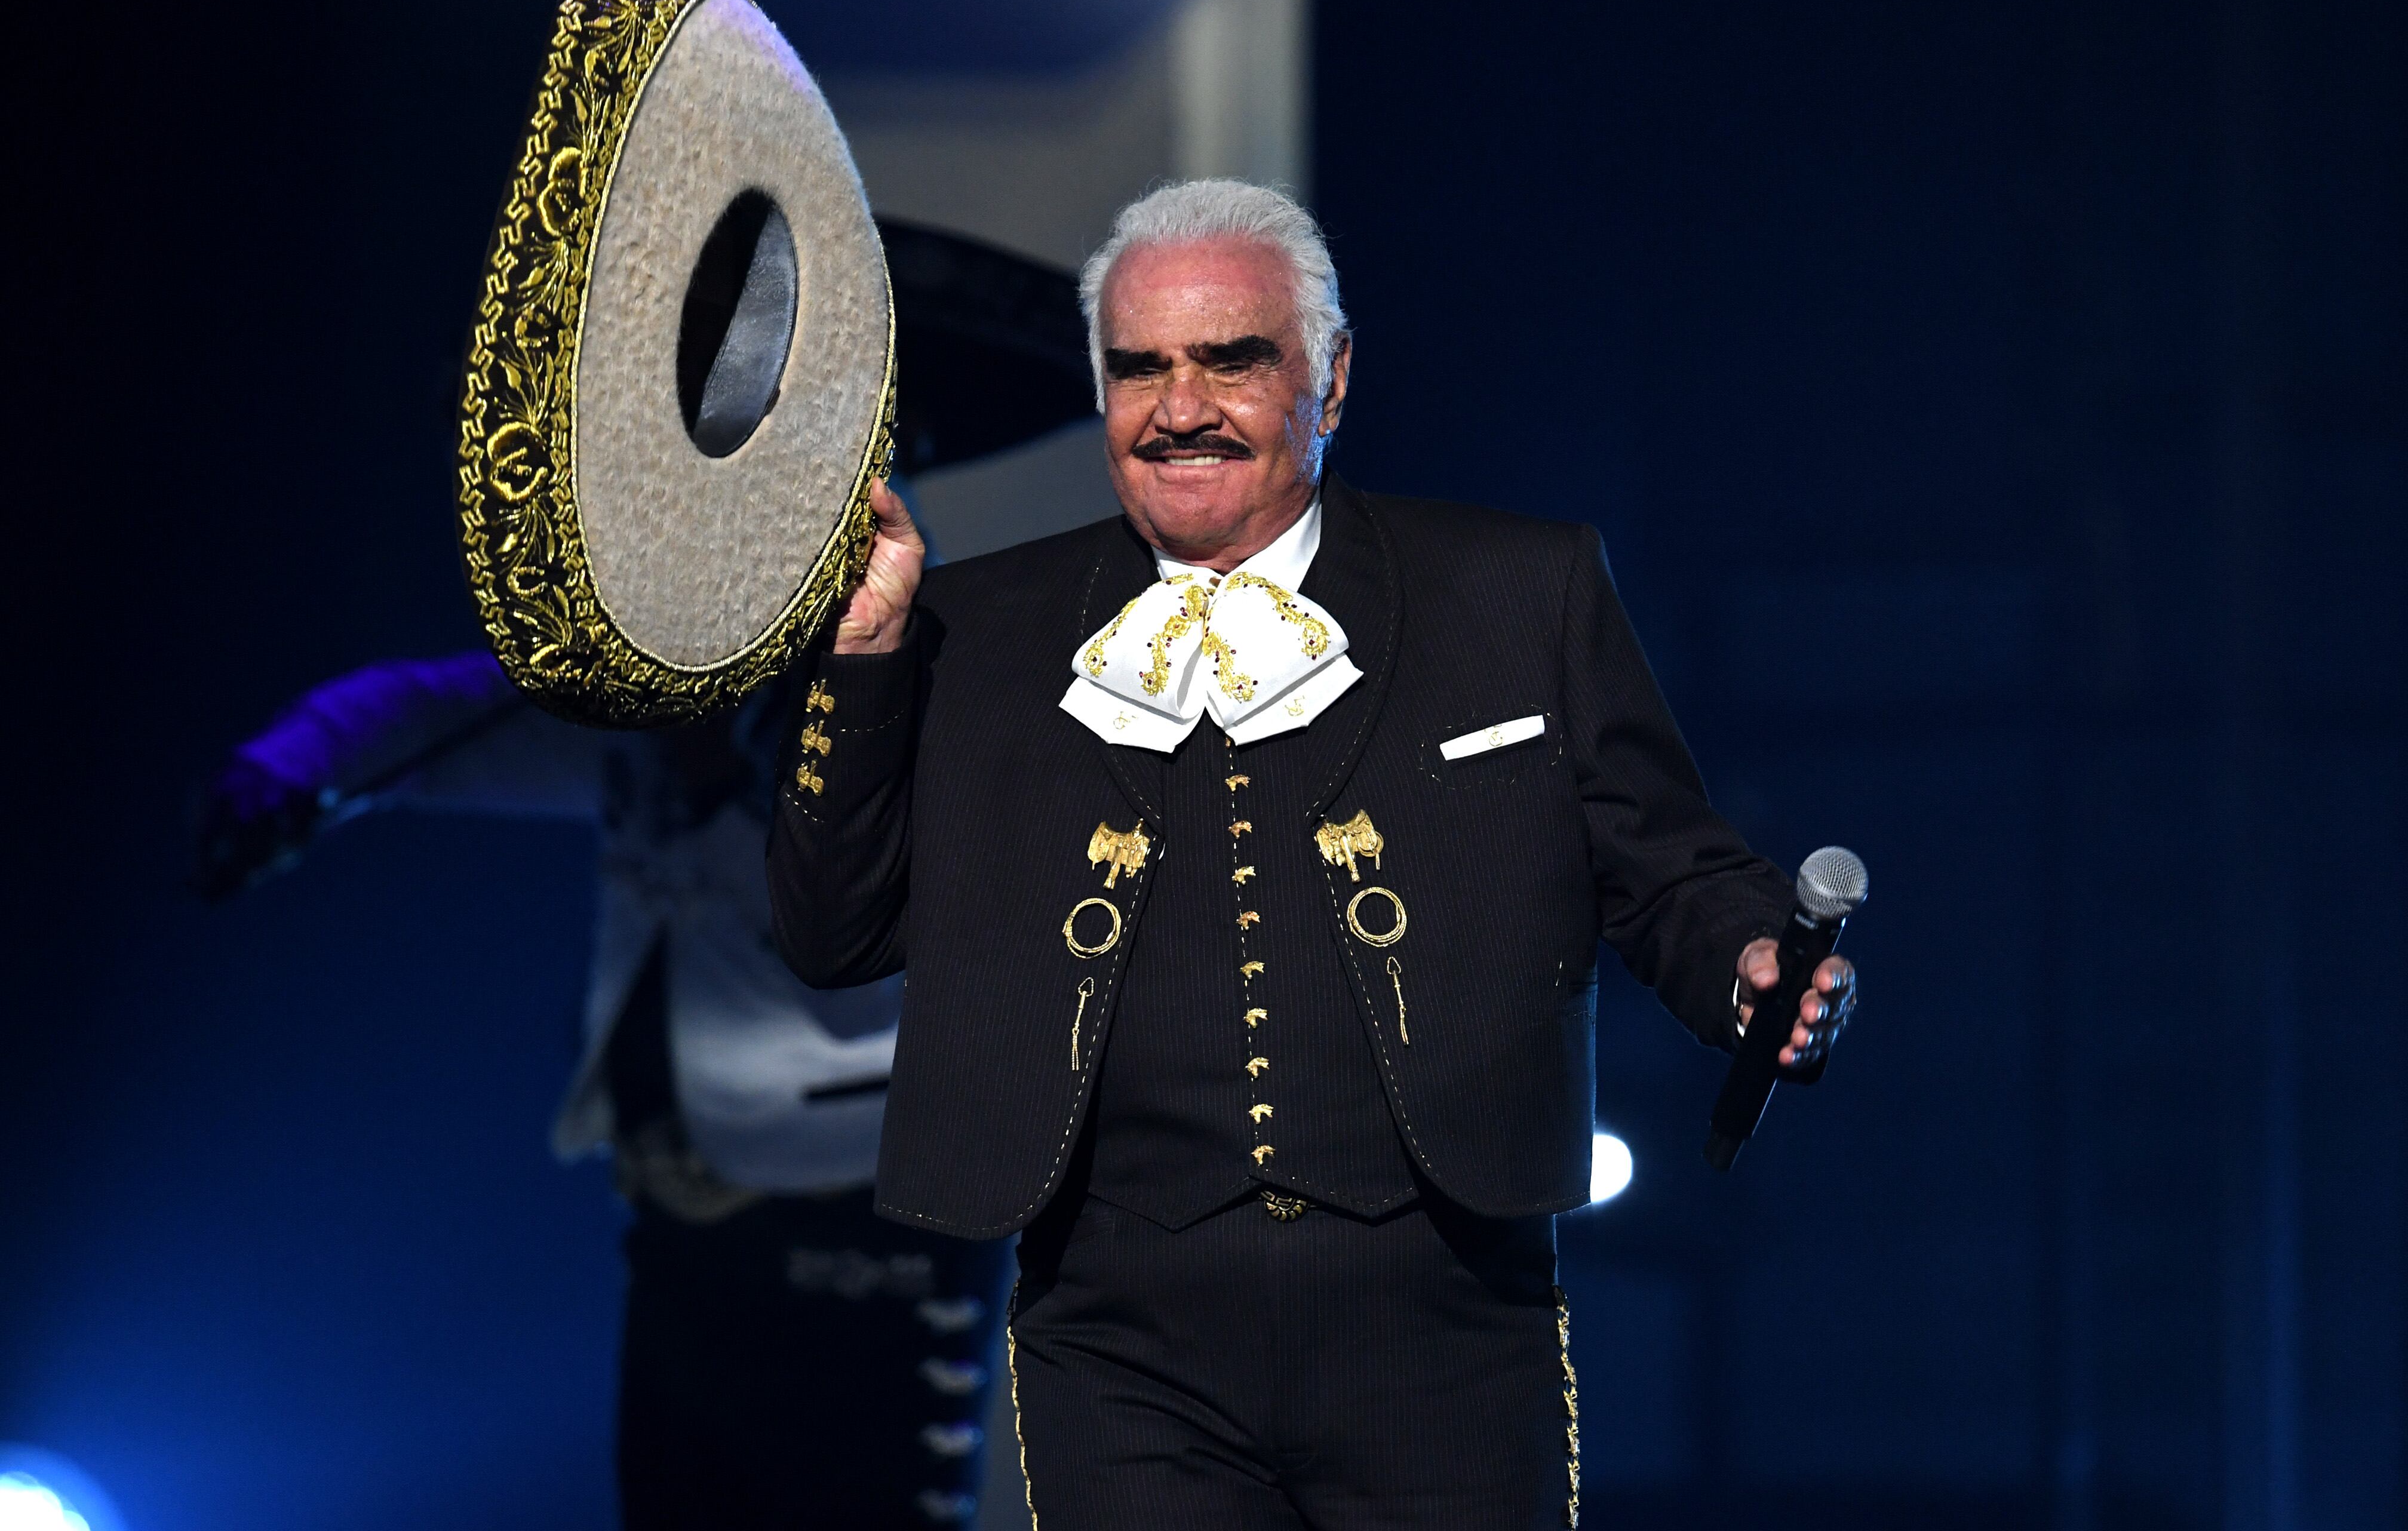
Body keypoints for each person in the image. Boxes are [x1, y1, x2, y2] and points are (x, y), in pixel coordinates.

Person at [766, 179, 1862, 1529]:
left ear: (1329, 382)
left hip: (1446, 1327)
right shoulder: (975, 630)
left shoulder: (1520, 592)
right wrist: (868, 662)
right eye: (1140, 368)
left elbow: (1674, 871)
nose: (1179, 409)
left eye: (1232, 361)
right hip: (1119, 1340)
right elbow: (834, 933)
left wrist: (1749, 963)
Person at [197, 656, 1012, 1529]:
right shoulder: (651, 696)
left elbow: (865, 967)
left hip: (872, 1230)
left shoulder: (916, 710)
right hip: (684, 1237)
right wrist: (284, 765)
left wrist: (719, 787)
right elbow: (437, 713)